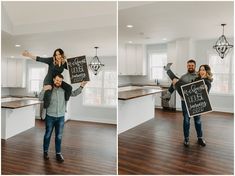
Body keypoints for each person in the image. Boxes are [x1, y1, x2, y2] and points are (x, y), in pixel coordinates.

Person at [39, 74, 87, 162]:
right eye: (57, 80)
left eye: (60, 81)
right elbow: (40, 98)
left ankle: (58, 154)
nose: (58, 82)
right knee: (47, 135)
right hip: (50, 116)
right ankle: (45, 152)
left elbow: (74, 93)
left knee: (59, 136)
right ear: (53, 79)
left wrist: (82, 86)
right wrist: (43, 89)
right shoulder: (49, 89)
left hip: (60, 117)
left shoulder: (64, 90)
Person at [165, 59, 208, 147]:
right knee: (186, 120)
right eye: (189, 65)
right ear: (187, 66)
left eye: (192, 65)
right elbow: (174, 84)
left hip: (196, 101)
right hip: (185, 101)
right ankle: (186, 139)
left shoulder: (198, 75)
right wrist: (169, 93)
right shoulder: (183, 77)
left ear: (195, 66)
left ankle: (200, 138)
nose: (190, 67)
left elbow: (204, 84)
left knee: (198, 120)